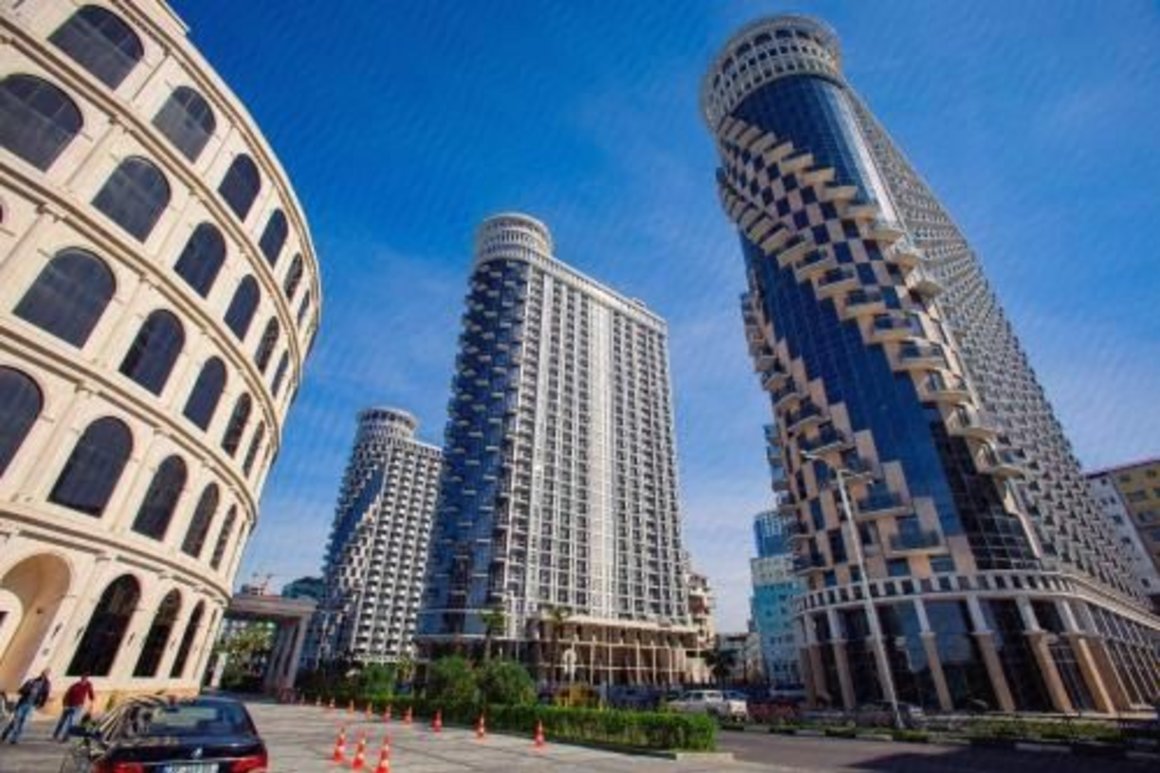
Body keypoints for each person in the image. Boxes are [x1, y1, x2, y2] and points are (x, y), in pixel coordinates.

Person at [1, 669, 52, 744]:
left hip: (31, 705)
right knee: (15, 720)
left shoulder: (46, 685)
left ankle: (15, 739)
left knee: (23, 722)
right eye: (43, 673)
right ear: (41, 673)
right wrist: (26, 690)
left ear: (48, 675)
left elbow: (45, 695)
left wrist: (41, 704)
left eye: (46, 673)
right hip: (23, 703)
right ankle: (5, 734)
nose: (44, 675)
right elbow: (20, 691)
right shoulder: (32, 681)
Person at [53, 675, 95, 741]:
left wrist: (91, 705)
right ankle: (55, 735)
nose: (84, 679)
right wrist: (65, 705)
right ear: (81, 678)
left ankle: (66, 737)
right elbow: (67, 694)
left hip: (78, 707)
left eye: (86, 678)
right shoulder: (75, 685)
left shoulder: (88, 685)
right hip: (68, 706)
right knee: (62, 721)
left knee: (71, 723)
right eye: (83, 677)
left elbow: (91, 696)